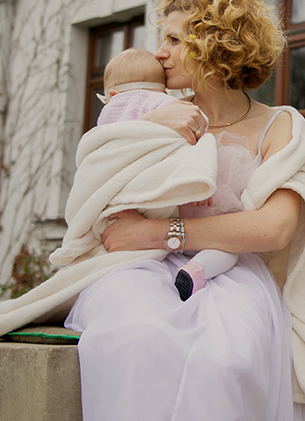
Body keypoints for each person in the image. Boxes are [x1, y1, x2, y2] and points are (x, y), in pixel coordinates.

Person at [65, 0, 305, 420]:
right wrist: (152, 126)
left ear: (217, 45)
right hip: (142, 269)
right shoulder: (155, 116)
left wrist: (156, 232)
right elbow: (97, 180)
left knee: (225, 359)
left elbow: (274, 228)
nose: (160, 53)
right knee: (135, 338)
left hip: (235, 276)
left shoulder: (280, 127)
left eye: (175, 40)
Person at [95, 47, 239, 301]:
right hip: (159, 190)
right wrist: (201, 180)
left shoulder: (107, 113)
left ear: (112, 94)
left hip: (120, 197)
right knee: (229, 250)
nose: (162, 51)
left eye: (173, 39)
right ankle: (196, 270)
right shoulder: (166, 105)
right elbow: (198, 141)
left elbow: (102, 150)